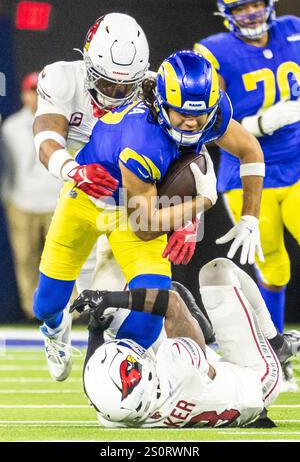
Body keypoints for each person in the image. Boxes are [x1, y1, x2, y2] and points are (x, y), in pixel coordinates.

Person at [33, 50, 264, 383]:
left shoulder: (207, 112)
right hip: (89, 201)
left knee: (150, 312)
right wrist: (200, 205)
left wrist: (249, 218)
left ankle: (118, 368)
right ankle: (55, 329)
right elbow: (147, 225)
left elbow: (249, 150)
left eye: (200, 116)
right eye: (181, 113)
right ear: (160, 104)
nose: (190, 123)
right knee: (46, 303)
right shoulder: (141, 138)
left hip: (142, 205)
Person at [193, 0, 300, 390]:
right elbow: (201, 116)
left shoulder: (293, 31)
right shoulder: (213, 51)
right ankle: (276, 354)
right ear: (227, 13)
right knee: (273, 267)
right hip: (248, 176)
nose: (252, 12)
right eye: (241, 7)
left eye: (256, 3)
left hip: (297, 164)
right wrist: (258, 123)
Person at [71, 258, 300, 428]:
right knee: (216, 271)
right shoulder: (179, 370)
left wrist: (95, 331)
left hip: (209, 386)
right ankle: (276, 343)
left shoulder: (117, 413)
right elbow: (173, 303)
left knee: (148, 319)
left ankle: (201, 337)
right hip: (257, 381)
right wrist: (108, 298)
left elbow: (93, 385)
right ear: (149, 380)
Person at [33, 13, 151, 295]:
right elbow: (46, 140)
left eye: (126, 85)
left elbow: (196, 141)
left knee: (113, 292)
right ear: (88, 64)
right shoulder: (62, 78)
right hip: (77, 190)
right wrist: (74, 171)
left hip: (129, 199)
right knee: (78, 281)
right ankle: (55, 329)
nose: (116, 92)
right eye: (107, 82)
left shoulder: (155, 88)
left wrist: (190, 213)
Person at [1, 72, 62, 319]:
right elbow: (7, 164)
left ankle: (67, 309)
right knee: (25, 259)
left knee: (60, 257)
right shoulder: (10, 126)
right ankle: (32, 312)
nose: (34, 97)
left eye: (39, 92)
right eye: (30, 91)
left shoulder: (61, 121)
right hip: (21, 201)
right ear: (23, 95)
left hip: (55, 201)